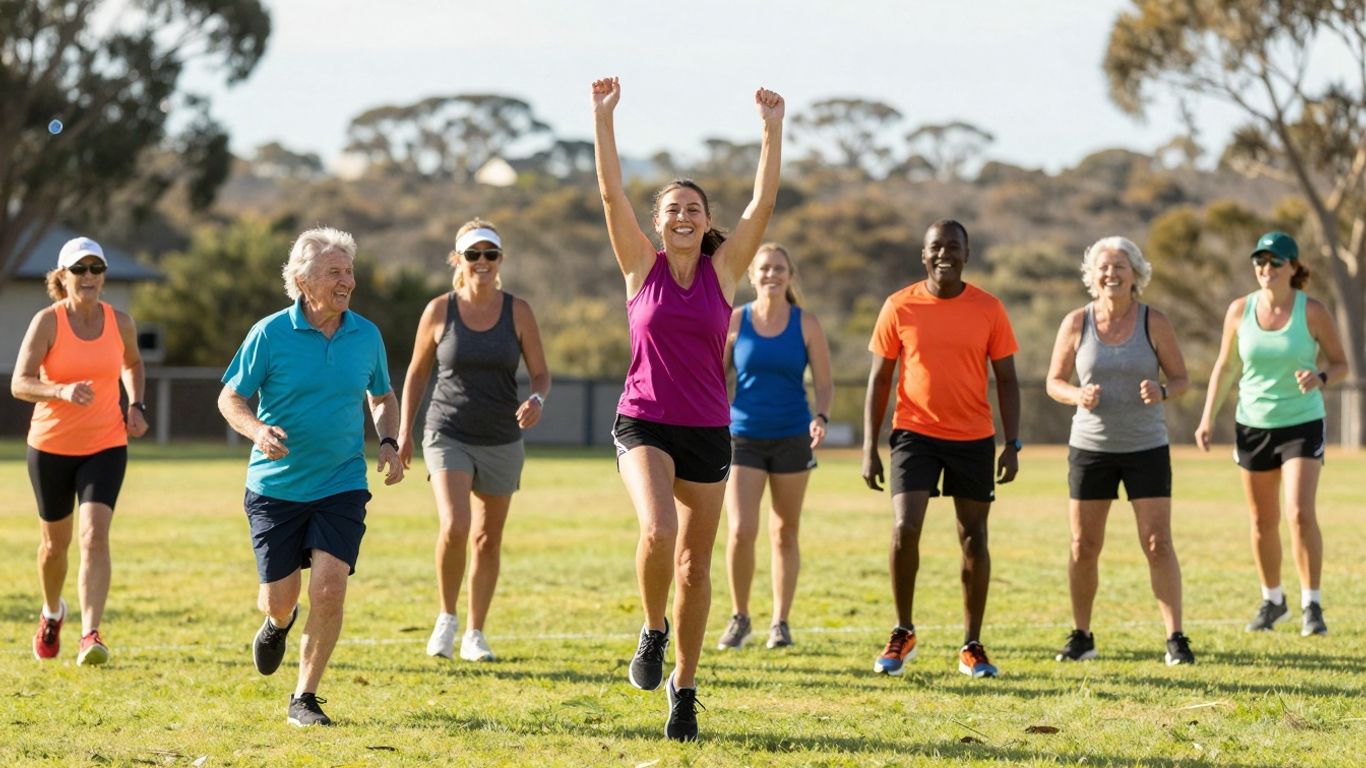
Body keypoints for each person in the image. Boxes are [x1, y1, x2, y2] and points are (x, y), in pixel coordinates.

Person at [593, 75, 784, 741]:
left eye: (693, 209)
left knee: (696, 570)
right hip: (643, 418)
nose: (682, 216)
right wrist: (603, 117)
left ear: (706, 221)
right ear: (657, 222)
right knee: (657, 534)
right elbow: (611, 191)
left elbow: (763, 201)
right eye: (672, 208)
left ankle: (686, 685)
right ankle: (652, 631)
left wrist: (770, 128)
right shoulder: (637, 267)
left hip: (708, 428)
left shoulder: (724, 271)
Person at [217, 227, 404, 727]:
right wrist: (256, 430)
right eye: (335, 273)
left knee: (328, 586)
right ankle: (278, 624)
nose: (348, 281)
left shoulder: (366, 334)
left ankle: (305, 696)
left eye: (349, 271)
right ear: (303, 280)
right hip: (275, 488)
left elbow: (383, 396)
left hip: (341, 483)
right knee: (282, 599)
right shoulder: (270, 333)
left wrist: (388, 440)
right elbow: (230, 397)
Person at [862, 219, 1020, 679]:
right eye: (936, 247)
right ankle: (903, 631)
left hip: (973, 437)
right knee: (904, 529)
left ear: (967, 254)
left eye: (954, 246)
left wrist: (1012, 443)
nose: (944, 254)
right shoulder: (898, 306)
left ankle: (972, 644)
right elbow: (880, 380)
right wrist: (869, 447)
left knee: (973, 538)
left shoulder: (989, 308)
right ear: (923, 254)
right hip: (914, 434)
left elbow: (1008, 380)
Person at [397, 219, 550, 663]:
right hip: (448, 431)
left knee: (487, 538)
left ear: (500, 260)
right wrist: (404, 431)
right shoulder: (438, 311)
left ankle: (475, 632)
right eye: (473, 254)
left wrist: (537, 398)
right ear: (458, 260)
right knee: (456, 525)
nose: (481, 262)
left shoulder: (518, 311)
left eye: (490, 254)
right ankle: (446, 619)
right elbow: (416, 373)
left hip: (502, 435)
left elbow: (541, 372)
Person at [1044, 236, 1194, 665]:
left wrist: (1162, 390)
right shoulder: (1076, 322)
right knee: (1083, 545)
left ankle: (1175, 639)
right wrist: (1077, 395)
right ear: (1092, 275)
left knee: (1157, 541)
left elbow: (1182, 379)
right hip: (1091, 448)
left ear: (1136, 274)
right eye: (1103, 267)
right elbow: (1054, 381)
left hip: (1146, 446)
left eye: (1120, 267)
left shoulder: (1154, 322)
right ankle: (1082, 635)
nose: (1111, 274)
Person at [1195, 231, 1347, 637]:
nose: (1266, 269)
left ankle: (1311, 605)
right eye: (1260, 261)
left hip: (1301, 422)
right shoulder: (1239, 310)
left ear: (1294, 268)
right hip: (1253, 424)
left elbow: (1340, 363)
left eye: (1275, 262)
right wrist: (1208, 416)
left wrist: (1321, 377)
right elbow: (1225, 367)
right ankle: (1272, 600)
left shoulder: (1311, 311)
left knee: (1299, 514)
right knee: (1263, 520)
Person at [11, 236, 148, 666]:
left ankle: (90, 634)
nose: (89, 276)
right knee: (55, 546)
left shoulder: (120, 321)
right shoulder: (47, 322)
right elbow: (20, 382)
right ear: (62, 277)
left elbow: (133, 363)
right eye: (80, 269)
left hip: (105, 443)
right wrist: (61, 391)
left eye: (96, 268)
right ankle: (53, 612)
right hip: (50, 446)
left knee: (94, 535)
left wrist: (136, 404)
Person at [716, 243, 833, 651]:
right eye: (764, 268)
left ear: (790, 275)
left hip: (791, 436)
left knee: (784, 531)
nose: (771, 274)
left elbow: (823, 383)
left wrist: (821, 417)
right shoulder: (734, 321)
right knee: (741, 530)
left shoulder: (807, 324)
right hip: (743, 435)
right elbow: (714, 378)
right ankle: (740, 617)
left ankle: (780, 623)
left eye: (779, 268)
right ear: (752, 276)